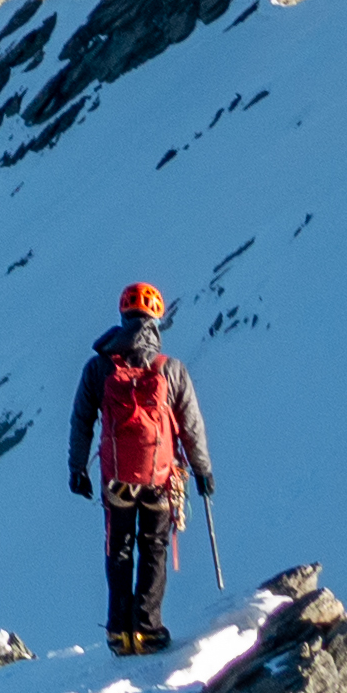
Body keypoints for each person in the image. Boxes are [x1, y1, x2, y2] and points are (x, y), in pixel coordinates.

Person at [62, 279, 214, 651]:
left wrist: (77, 468)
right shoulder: (170, 369)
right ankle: (147, 630)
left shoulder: (99, 368)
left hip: (116, 480)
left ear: (123, 316)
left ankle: (118, 633)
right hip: (159, 478)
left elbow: (82, 419)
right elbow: (190, 424)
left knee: (119, 550)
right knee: (154, 548)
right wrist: (202, 471)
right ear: (156, 320)